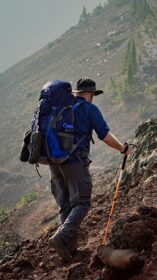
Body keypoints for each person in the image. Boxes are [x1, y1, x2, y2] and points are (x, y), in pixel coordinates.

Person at [48, 78, 132, 261]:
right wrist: (122, 149)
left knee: (66, 205)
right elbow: (104, 135)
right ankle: (62, 237)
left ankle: (68, 251)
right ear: (91, 94)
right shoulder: (89, 109)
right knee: (82, 203)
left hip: (53, 162)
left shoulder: (59, 108)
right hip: (74, 162)